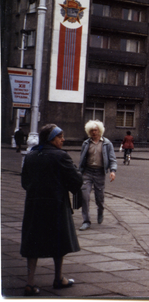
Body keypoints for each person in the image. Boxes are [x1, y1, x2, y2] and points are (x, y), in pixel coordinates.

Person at [20, 124, 83, 296]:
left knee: (32, 242)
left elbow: (25, 183)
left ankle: (30, 283)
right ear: (51, 139)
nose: (63, 139)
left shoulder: (31, 155)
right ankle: (58, 278)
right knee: (59, 240)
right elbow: (76, 182)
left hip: (34, 205)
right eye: (60, 136)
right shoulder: (61, 156)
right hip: (56, 204)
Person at [78, 120, 117, 231]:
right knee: (85, 196)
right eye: (91, 131)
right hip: (87, 173)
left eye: (95, 130)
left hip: (99, 173)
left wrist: (112, 171)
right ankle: (86, 221)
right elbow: (82, 159)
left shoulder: (106, 143)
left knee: (99, 198)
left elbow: (112, 159)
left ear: (100, 130)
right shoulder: (86, 143)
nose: (94, 132)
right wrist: (79, 172)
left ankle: (100, 211)